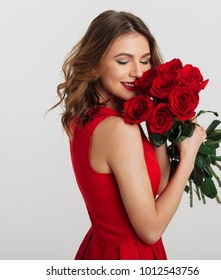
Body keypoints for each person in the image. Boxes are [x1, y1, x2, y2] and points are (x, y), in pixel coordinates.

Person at [51, 10, 206, 260]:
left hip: (101, 249)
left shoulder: (85, 117)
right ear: (94, 63)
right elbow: (151, 230)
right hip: (128, 255)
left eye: (144, 60)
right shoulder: (118, 130)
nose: (137, 72)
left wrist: (158, 124)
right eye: (123, 61)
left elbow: (160, 185)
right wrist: (188, 155)